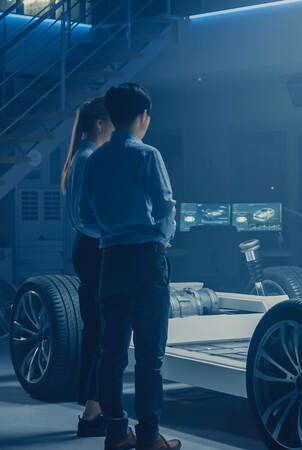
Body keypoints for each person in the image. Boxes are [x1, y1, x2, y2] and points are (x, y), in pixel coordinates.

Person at [80, 83, 180, 450]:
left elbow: (87, 215)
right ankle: (150, 438)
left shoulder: (95, 159)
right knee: (149, 357)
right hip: (145, 260)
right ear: (143, 117)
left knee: (111, 353)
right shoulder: (148, 155)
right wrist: (161, 236)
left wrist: (111, 231)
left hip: (111, 260)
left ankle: (117, 432)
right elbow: (166, 206)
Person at [61, 97, 114, 437]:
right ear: (100, 125)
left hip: (86, 250)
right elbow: (91, 217)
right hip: (95, 250)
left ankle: (93, 412)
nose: (116, 130)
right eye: (113, 124)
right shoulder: (91, 158)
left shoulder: (80, 157)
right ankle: (92, 415)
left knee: (96, 331)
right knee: (102, 334)